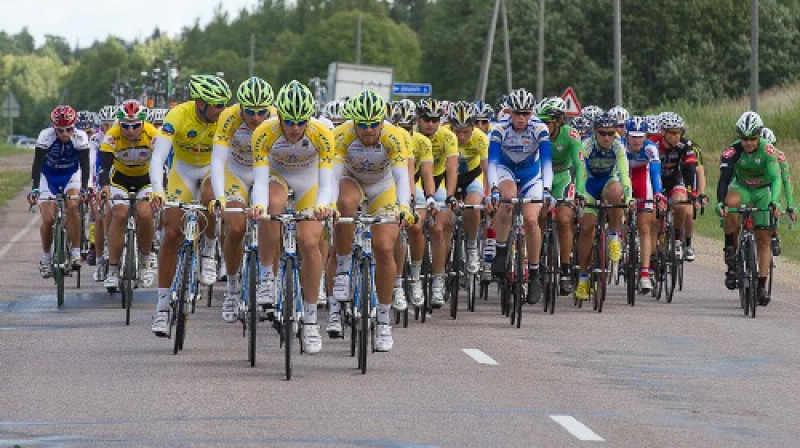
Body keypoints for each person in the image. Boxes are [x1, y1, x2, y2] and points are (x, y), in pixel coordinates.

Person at [249, 80, 335, 354]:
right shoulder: (265, 132)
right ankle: (267, 277)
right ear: (280, 117)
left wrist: (322, 206)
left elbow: (328, 181)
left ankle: (310, 320)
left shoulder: (322, 134)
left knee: (309, 242)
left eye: (301, 121)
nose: (295, 128)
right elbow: (260, 181)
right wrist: (258, 206)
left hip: (309, 183)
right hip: (276, 178)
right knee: (271, 206)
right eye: (289, 121)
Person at [328, 89, 414, 352]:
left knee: (385, 247)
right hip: (351, 181)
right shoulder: (341, 134)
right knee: (344, 205)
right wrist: (329, 205)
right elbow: (331, 176)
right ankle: (341, 273)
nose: (367, 130)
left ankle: (384, 319)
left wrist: (404, 207)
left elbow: (401, 178)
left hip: (382, 187)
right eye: (362, 125)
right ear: (354, 122)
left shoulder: (395, 136)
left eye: (373, 124)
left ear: (382, 121)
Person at [149, 74, 231, 337]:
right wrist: (158, 191)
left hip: (211, 170)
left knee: (210, 195)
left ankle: (208, 250)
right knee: (172, 233)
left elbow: (223, 160)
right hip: (181, 172)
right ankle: (162, 309)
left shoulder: (224, 119)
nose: (221, 110)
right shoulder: (178, 116)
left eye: (223, 105)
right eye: (217, 105)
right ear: (200, 103)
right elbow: (159, 156)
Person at [209, 77, 275, 323]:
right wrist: (219, 197)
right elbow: (217, 161)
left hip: (266, 171)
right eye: (250, 111)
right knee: (235, 228)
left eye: (261, 112)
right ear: (241, 107)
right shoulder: (229, 117)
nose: (256, 117)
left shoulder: (277, 119)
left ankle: (269, 281)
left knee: (272, 219)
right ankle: (233, 288)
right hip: (235, 171)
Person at [487, 88, 552, 305]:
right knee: (507, 200)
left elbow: (546, 163)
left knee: (532, 219)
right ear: (510, 112)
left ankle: (534, 275)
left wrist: (547, 190)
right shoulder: (499, 129)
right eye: (517, 113)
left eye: (526, 114)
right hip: (506, 171)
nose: (521, 118)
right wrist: (494, 189)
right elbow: (493, 164)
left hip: (532, 174)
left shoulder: (540, 129)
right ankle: (501, 250)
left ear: (531, 114)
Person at [717, 111, 782, 306]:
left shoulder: (768, 151)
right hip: (742, 188)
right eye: (744, 139)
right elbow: (724, 180)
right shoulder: (732, 152)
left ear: (758, 136)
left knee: (764, 238)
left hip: (762, 191)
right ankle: (730, 245)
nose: (748, 143)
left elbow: (776, 178)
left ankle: (761, 285)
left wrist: (775, 201)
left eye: (752, 139)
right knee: (731, 205)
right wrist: (721, 202)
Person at [98, 99, 159, 290]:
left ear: (142, 123)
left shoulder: (153, 134)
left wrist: (160, 190)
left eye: (135, 126)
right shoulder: (112, 135)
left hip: (146, 179)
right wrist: (105, 187)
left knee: (144, 213)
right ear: (119, 123)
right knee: (120, 214)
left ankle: (145, 260)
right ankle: (113, 270)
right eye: (125, 126)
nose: (130, 131)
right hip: (120, 179)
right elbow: (104, 167)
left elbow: (162, 165)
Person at [573, 112, 632, 301]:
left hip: (608, 182)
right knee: (587, 228)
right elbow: (580, 172)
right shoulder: (586, 145)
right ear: (595, 133)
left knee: (617, 192)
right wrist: (580, 194)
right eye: (602, 133)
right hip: (589, 185)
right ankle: (583, 277)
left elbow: (624, 173)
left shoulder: (618, 146)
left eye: (610, 133)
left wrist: (629, 198)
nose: (607, 137)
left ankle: (614, 236)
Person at [28, 105, 91, 277]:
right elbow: (37, 164)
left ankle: (76, 253)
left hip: (71, 174)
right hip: (48, 177)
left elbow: (85, 166)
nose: (65, 134)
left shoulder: (80, 137)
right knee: (48, 219)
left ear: (74, 126)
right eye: (60, 130)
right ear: (53, 128)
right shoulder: (45, 136)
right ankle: (46, 258)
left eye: (69, 129)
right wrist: (34, 188)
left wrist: (85, 188)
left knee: (72, 206)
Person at [535, 97, 585, 295]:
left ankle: (564, 270)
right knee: (536, 216)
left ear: (558, 122)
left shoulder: (570, 135)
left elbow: (580, 165)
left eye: (546, 122)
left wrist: (580, 192)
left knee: (565, 219)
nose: (542, 126)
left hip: (563, 176)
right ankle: (535, 263)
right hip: (540, 176)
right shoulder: (536, 134)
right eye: (540, 122)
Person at [413, 98, 459, 307]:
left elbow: (451, 169)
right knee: (413, 225)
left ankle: (438, 279)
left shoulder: (448, 137)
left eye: (434, 119)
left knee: (439, 228)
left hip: (437, 181)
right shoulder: (410, 136)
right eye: (426, 119)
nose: (430, 123)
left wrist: (449, 196)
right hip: (414, 180)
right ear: (418, 119)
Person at [389, 99, 434, 308]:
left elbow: (421, 175)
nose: (405, 131)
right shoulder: (390, 137)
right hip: (385, 186)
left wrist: (424, 197)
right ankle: (396, 284)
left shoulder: (420, 142)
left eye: (409, 128)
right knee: (393, 231)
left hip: (411, 183)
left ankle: (415, 277)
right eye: (401, 127)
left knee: (415, 226)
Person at [649, 112, 697, 261]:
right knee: (654, 212)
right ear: (663, 132)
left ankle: (677, 238)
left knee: (681, 204)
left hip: (674, 180)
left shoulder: (685, 145)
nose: (677, 136)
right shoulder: (652, 144)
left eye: (679, 132)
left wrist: (692, 192)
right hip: (654, 181)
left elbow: (690, 169)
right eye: (673, 132)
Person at [623, 116, 664, 293]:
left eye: (640, 136)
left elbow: (655, 173)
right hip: (623, 180)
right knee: (620, 216)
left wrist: (658, 194)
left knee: (645, 226)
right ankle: (621, 243)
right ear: (627, 135)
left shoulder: (650, 148)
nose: (637, 140)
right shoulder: (619, 145)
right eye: (633, 136)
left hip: (641, 182)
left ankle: (645, 273)